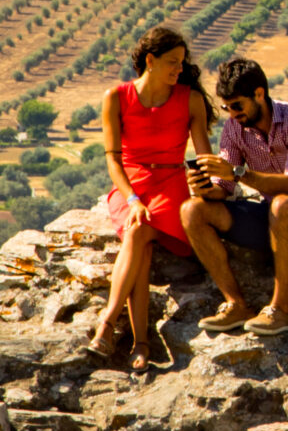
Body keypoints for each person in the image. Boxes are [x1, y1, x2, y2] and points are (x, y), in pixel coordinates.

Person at [182, 56, 288, 336]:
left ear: (259, 94)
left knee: (284, 204)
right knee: (192, 211)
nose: (232, 113)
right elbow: (223, 188)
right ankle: (235, 304)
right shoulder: (234, 129)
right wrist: (205, 187)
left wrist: (237, 173)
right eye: (226, 107)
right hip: (275, 218)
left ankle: (280, 310)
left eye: (237, 105)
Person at [86, 23, 216, 371]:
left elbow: (203, 157)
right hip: (130, 184)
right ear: (150, 60)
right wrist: (131, 199)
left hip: (171, 182)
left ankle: (109, 325)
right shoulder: (116, 97)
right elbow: (113, 158)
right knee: (137, 230)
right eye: (172, 62)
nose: (179, 69)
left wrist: (211, 184)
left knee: (138, 233)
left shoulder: (190, 99)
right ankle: (139, 343)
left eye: (181, 62)